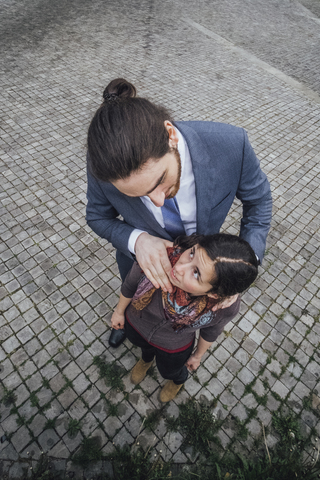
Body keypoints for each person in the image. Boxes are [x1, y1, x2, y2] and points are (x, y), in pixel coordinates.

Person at [86, 78, 272, 347]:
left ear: (171, 135)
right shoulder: (101, 166)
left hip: (201, 272)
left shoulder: (232, 145)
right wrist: (137, 240)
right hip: (140, 268)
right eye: (135, 195)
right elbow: (97, 217)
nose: (157, 201)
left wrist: (246, 263)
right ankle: (130, 322)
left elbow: (259, 201)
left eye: (159, 180)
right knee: (135, 306)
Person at [110, 233, 259, 402]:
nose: (179, 267)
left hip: (174, 347)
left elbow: (211, 331)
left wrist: (197, 356)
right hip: (137, 325)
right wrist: (119, 312)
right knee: (144, 347)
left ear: (214, 294)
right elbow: (129, 285)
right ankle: (146, 359)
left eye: (196, 274)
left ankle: (178, 379)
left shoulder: (223, 307)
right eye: (192, 253)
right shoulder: (156, 257)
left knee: (169, 370)